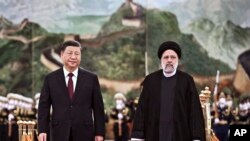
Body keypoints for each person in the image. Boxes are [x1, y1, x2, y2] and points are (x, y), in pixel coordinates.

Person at [131, 41, 206, 141]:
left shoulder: (187, 81)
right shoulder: (150, 80)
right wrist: (137, 135)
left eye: (173, 57)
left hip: (180, 135)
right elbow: (142, 110)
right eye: (166, 57)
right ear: (161, 60)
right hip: (154, 135)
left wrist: (197, 137)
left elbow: (194, 112)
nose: (169, 60)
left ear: (177, 60)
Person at [38, 40, 105, 141]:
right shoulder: (50, 79)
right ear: (61, 55)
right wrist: (42, 130)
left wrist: (99, 133)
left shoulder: (91, 79)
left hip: (85, 133)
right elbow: (44, 107)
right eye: (70, 53)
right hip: (59, 132)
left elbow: (98, 108)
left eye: (77, 54)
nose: (73, 57)